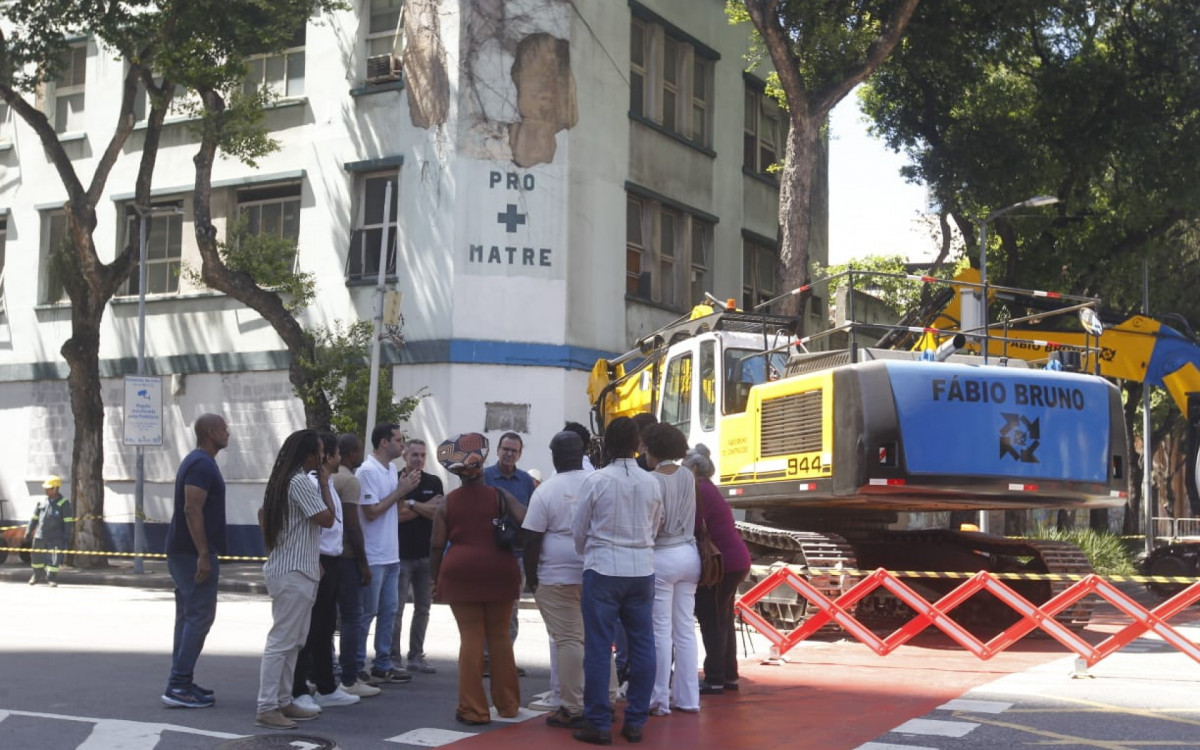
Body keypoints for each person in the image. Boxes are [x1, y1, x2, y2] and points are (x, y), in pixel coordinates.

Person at [571, 417, 663, 745]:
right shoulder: (651, 482)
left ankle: (597, 723)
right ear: (637, 444)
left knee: (598, 647)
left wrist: (589, 554)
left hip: (603, 569)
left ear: (607, 443)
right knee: (643, 645)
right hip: (641, 570)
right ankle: (636, 720)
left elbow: (579, 529)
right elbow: (655, 525)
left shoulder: (597, 480)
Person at [431, 433, 526, 726]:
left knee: (471, 638)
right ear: (481, 466)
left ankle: (474, 709)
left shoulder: (447, 504)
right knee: (499, 637)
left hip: (461, 573)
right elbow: (527, 520)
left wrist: (435, 580)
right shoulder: (500, 495)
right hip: (501, 570)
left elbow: (436, 546)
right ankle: (508, 704)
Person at [254, 429, 338, 730]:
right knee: (283, 642)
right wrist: (326, 482)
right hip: (294, 573)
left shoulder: (284, 480)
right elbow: (327, 518)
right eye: (319, 451)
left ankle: (283, 699)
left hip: (296, 569)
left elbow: (264, 516)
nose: (324, 457)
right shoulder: (302, 481)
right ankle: (267, 706)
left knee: (294, 641)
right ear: (307, 455)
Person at [523, 431, 591, 729]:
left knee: (567, 641)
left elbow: (532, 540)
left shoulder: (546, 491)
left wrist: (532, 578)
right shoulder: (596, 483)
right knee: (595, 639)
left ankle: (572, 705)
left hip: (556, 575)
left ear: (554, 457)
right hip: (593, 572)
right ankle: (607, 696)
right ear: (581, 454)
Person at [161, 414, 229, 709]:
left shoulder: (199, 462)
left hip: (186, 552)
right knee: (200, 617)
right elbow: (192, 509)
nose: (229, 433)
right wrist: (203, 554)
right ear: (212, 432)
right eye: (225, 429)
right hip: (191, 554)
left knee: (189, 617)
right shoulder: (201, 464)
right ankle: (178, 684)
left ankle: (181, 681)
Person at [291, 433, 361, 712]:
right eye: (327, 453)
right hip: (317, 560)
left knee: (324, 628)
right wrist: (315, 556)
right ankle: (298, 689)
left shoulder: (327, 482)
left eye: (326, 453)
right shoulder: (309, 482)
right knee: (309, 630)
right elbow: (318, 522)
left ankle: (326, 686)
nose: (328, 458)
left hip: (331, 560)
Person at [642, 422, 701, 716]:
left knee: (660, 631)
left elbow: (655, 522)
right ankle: (689, 698)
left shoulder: (651, 480)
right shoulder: (689, 476)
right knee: (685, 629)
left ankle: (659, 699)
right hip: (689, 554)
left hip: (662, 555)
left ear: (653, 448)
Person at [685, 444, 753, 695]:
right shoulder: (711, 489)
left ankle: (714, 677)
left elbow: (691, 524)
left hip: (720, 564)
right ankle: (728, 675)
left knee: (711, 618)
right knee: (723, 617)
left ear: (693, 468)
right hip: (735, 560)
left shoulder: (698, 490)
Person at [356, 423, 420, 684]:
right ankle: (356, 662)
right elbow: (371, 512)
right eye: (398, 439)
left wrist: (404, 493)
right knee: (367, 612)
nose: (401, 444)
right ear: (383, 442)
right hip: (373, 554)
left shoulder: (391, 469)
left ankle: (382, 663)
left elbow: (397, 507)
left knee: (389, 611)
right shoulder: (367, 471)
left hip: (391, 553)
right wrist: (400, 491)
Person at [330, 434, 381, 699]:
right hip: (347, 557)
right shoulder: (349, 481)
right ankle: (349, 677)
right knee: (352, 618)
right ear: (351, 453)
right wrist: (364, 564)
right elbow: (352, 524)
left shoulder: (328, 478)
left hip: (327, 556)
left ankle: (324, 673)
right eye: (359, 450)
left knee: (327, 618)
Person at [391, 438, 444, 675]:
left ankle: (416, 656)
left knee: (423, 608)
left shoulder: (434, 481)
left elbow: (437, 513)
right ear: (405, 456)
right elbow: (395, 515)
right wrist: (421, 506)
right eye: (415, 455)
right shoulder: (396, 481)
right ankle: (392, 658)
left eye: (423, 455)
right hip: (400, 555)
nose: (419, 459)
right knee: (397, 609)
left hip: (426, 555)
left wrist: (410, 503)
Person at [483, 431, 536, 655]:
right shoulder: (484, 477)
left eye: (514, 450)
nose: (509, 454)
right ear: (497, 450)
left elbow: (533, 517)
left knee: (510, 609)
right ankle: (485, 656)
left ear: (520, 454)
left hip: (516, 554)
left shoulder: (526, 481)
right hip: (487, 553)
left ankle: (503, 656)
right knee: (486, 606)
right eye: (505, 449)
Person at [26, 475, 74, 588]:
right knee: (36, 557)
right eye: (46, 488)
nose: (46, 490)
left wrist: (67, 537)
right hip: (40, 536)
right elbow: (34, 518)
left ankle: (51, 578)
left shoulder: (64, 503)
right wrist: (29, 531)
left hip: (56, 537)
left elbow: (68, 522)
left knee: (54, 558)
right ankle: (37, 575)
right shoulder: (41, 502)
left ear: (56, 488)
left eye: (48, 488)